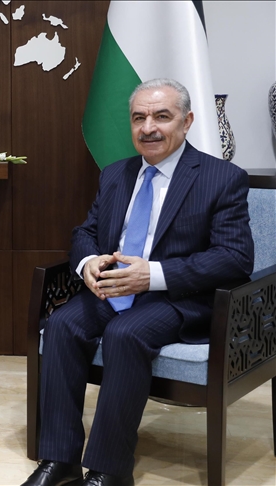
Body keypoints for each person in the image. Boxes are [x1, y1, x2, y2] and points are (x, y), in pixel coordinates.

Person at [22, 78, 254, 486]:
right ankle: (59, 459)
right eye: (139, 118)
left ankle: (110, 470)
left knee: (125, 334)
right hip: (113, 289)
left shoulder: (221, 177)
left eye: (161, 116)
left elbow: (235, 257)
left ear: (187, 121)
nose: (148, 128)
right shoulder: (116, 174)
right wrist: (89, 262)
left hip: (179, 297)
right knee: (61, 325)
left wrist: (154, 275)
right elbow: (85, 231)